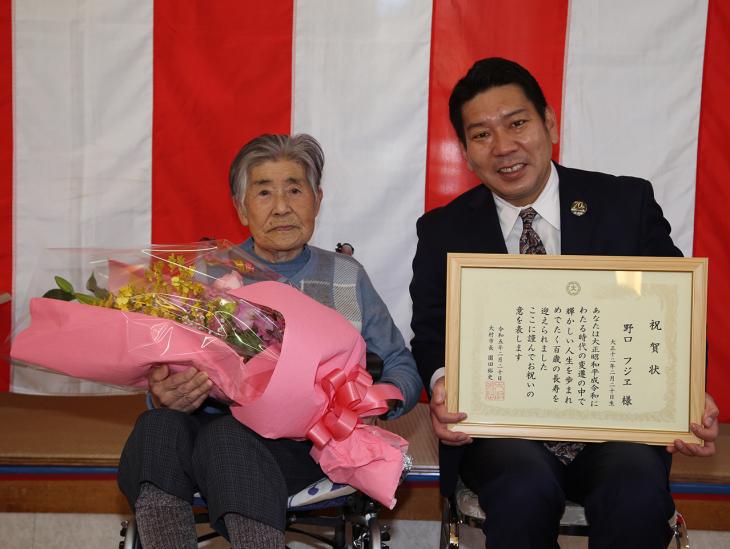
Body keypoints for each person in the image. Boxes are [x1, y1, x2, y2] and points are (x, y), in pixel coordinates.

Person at [409, 57, 720, 549]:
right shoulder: (444, 230)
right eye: (482, 135)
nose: (504, 147)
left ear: (549, 122)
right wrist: (445, 384)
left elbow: (672, 311)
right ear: (465, 152)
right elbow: (430, 331)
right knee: (522, 488)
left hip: (618, 427)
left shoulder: (626, 203)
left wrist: (683, 396)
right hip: (505, 435)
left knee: (634, 488)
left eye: (517, 124)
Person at [118, 133, 422, 549]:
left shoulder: (347, 276)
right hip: (205, 429)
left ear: (317, 199)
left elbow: (400, 365)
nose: (281, 206)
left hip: (307, 446)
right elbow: (164, 368)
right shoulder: (209, 272)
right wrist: (163, 394)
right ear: (241, 207)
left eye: (294, 190)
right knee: (156, 427)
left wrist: (368, 404)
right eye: (264, 192)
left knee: (226, 438)